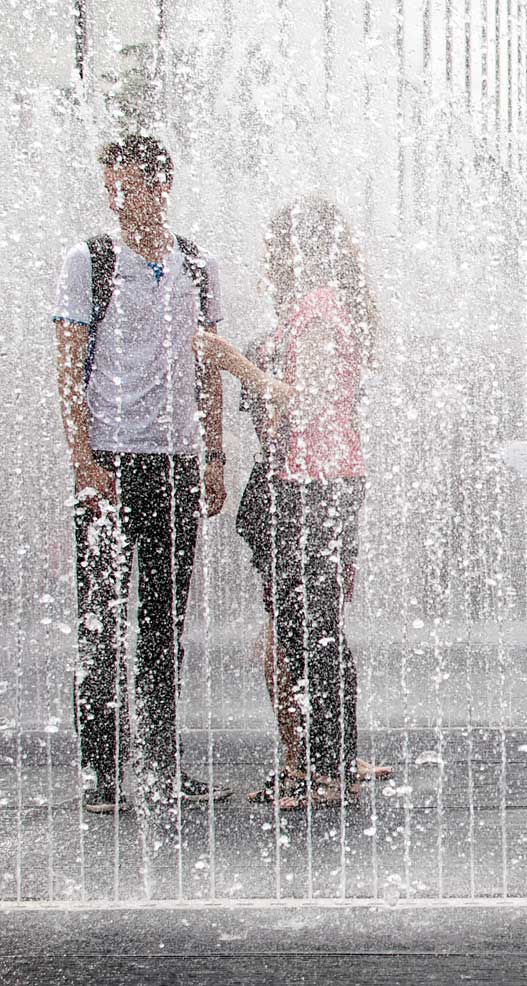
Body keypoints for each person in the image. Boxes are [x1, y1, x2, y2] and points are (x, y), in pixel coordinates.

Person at [52, 135, 231, 813]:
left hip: (176, 463)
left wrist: (213, 454)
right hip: (110, 461)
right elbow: (69, 367)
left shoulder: (197, 266)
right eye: (111, 188)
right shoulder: (89, 260)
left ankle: (161, 765)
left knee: (162, 623)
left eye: (129, 187)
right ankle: (103, 771)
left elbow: (209, 367)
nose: (118, 200)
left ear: (163, 185)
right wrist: (83, 460)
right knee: (100, 619)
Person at [196, 197, 382, 809]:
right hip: (317, 480)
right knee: (307, 625)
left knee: (310, 628)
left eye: (277, 245)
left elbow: (309, 399)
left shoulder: (319, 309)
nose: (269, 257)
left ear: (300, 251)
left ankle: (326, 768)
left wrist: (235, 365)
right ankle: (326, 762)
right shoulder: (321, 307)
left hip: (313, 485)